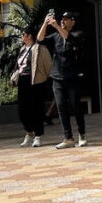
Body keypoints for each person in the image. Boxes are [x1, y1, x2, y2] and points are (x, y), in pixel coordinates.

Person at [37, 11, 87, 149]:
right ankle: (68, 138)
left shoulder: (78, 34)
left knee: (75, 106)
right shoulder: (55, 36)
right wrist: (45, 23)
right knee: (61, 108)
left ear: (73, 22)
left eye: (66, 19)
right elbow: (40, 39)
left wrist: (57, 27)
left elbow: (69, 38)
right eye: (62, 20)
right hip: (57, 77)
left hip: (73, 77)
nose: (63, 21)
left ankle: (82, 134)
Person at [15, 27, 53, 147]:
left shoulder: (39, 48)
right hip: (22, 81)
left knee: (36, 109)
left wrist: (44, 78)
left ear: (29, 35)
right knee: (22, 110)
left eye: (23, 34)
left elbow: (48, 65)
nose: (21, 36)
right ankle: (29, 132)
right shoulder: (22, 49)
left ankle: (38, 135)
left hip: (36, 81)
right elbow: (18, 66)